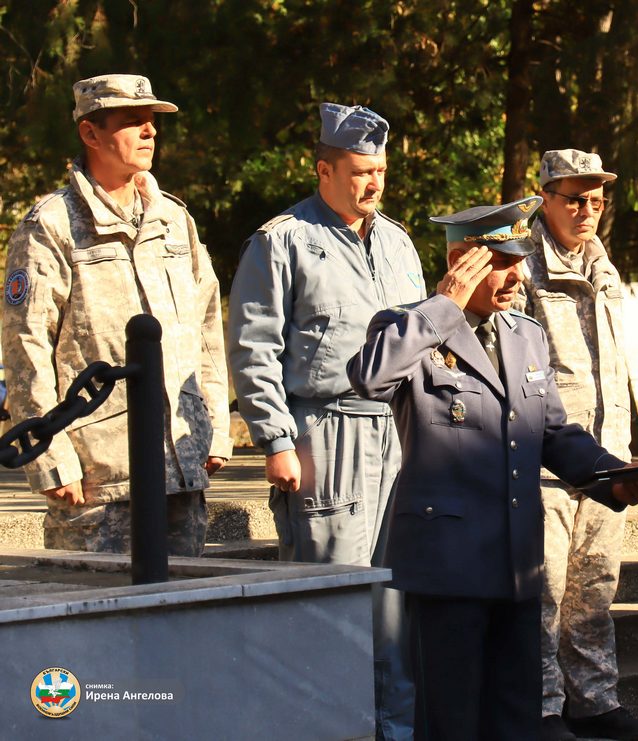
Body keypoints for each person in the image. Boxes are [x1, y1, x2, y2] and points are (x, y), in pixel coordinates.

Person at [345, 196, 638, 741]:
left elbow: (552, 432)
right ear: (462, 262)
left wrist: (610, 476)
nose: (517, 275)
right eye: (501, 262)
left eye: (520, 260)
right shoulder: (411, 327)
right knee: (452, 722)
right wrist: (443, 307)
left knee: (517, 720)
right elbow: (368, 378)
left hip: (516, 563)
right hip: (448, 567)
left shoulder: (525, 334)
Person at [227, 103, 423, 740]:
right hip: (324, 433)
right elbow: (255, 348)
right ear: (325, 170)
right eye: (362, 171)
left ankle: (396, 728)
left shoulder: (397, 242)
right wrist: (276, 440)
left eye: (382, 171)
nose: (374, 184)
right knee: (330, 592)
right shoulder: (282, 240)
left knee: (396, 599)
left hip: (396, 434)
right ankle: (324, 727)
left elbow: (420, 340)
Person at [1, 74, 231, 555]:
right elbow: (26, 347)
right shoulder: (51, 226)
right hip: (99, 480)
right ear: (90, 133)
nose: (151, 132)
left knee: (181, 622)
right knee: (95, 627)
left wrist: (214, 431)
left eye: (151, 121)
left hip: (182, 470)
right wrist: (52, 459)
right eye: (133, 121)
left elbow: (206, 324)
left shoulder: (173, 218)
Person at [514, 149, 638, 741]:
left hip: (606, 449)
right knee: (543, 590)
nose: (587, 210)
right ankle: (542, 707)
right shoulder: (519, 265)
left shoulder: (602, 265)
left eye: (597, 200)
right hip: (546, 456)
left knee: (595, 585)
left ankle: (594, 701)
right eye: (574, 198)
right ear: (544, 196)